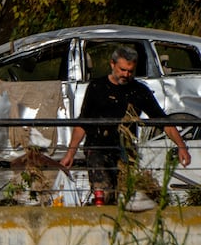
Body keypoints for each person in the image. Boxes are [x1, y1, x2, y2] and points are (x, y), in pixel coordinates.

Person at [62, 45, 191, 204]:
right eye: (122, 70)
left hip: (125, 151)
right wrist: (70, 153)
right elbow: (83, 123)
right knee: (103, 193)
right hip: (98, 148)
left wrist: (181, 146)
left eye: (130, 71)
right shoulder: (97, 87)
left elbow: (163, 121)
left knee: (125, 196)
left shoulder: (138, 91)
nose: (126, 74)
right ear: (112, 64)